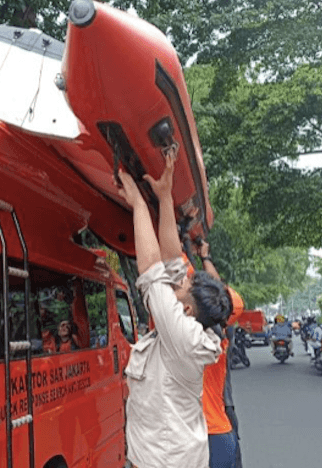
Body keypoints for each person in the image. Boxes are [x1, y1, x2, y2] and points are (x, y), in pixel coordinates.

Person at [118, 152, 232, 468]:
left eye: (181, 286)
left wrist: (140, 205)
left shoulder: (183, 336)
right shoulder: (192, 326)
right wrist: (164, 197)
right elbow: (170, 259)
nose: (179, 280)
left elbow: (153, 269)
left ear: (185, 309)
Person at [196, 241, 244, 468]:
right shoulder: (224, 330)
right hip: (220, 419)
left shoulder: (202, 332)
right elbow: (218, 290)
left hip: (208, 423)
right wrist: (205, 258)